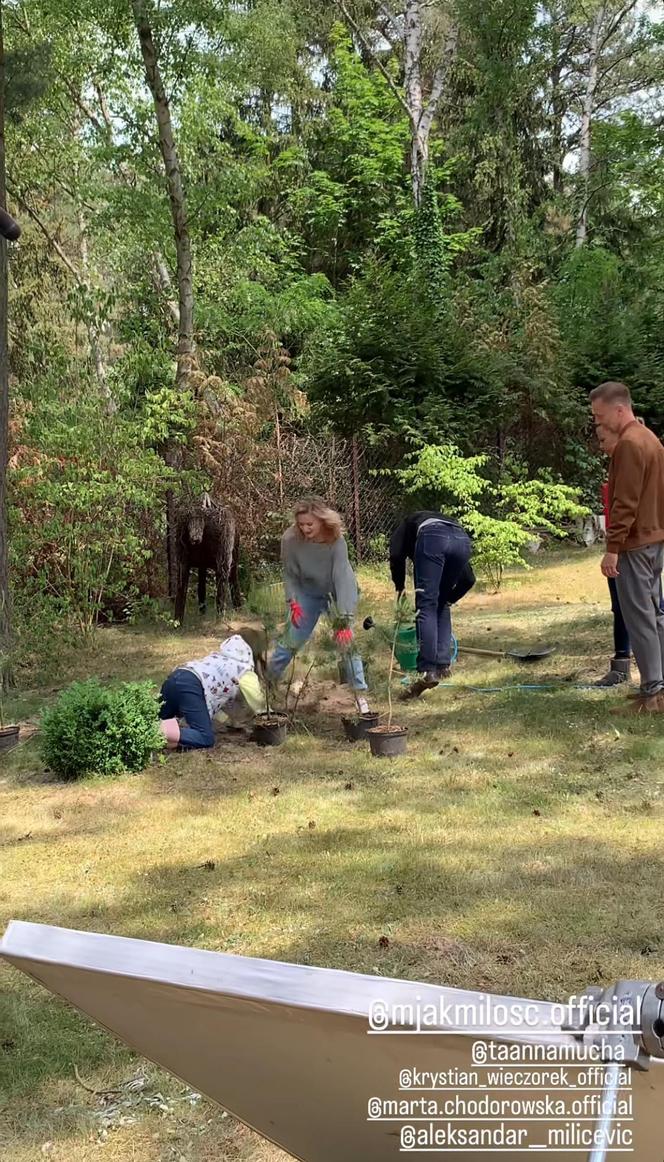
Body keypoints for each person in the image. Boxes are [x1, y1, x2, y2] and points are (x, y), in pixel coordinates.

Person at [590, 381, 664, 710]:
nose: (599, 424)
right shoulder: (652, 440)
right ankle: (659, 688)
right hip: (654, 539)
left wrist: (612, 547)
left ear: (620, 409)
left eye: (601, 416)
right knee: (656, 615)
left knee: (640, 617)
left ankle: (653, 691)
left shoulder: (630, 444)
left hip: (635, 544)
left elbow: (625, 502)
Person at [267, 497, 370, 712]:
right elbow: (290, 574)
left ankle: (360, 696)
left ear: (322, 521)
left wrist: (345, 618)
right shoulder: (290, 539)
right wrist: (292, 601)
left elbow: (342, 577)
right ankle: (265, 686)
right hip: (307, 594)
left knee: (346, 643)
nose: (305, 529)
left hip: (337, 592)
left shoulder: (336, 540)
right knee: (290, 641)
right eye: (301, 524)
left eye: (310, 524)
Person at [389, 510, 475, 698]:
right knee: (440, 602)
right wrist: (450, 598)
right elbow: (469, 579)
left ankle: (427, 670)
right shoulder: (447, 527)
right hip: (462, 538)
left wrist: (400, 587)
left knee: (426, 604)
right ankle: (443, 666)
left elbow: (396, 555)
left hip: (433, 538)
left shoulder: (406, 524)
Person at [159, 631, 266, 750]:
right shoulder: (244, 670)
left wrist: (229, 721)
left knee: (158, 718)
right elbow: (258, 701)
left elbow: (217, 699)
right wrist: (269, 715)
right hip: (191, 685)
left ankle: (148, 729)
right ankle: (158, 731)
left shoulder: (217, 658)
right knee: (205, 737)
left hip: (176, 677)